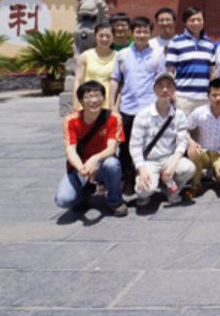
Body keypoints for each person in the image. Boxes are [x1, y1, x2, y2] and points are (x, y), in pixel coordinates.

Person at [109, 17, 166, 195]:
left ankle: (147, 176)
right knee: (125, 147)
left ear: (151, 33)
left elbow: (162, 82)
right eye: (138, 31)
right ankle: (127, 177)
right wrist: (112, 106)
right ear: (131, 33)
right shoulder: (123, 54)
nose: (142, 35)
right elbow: (115, 79)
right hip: (128, 108)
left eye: (145, 31)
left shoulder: (158, 55)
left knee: (149, 144)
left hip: (149, 109)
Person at [55, 81, 127, 217]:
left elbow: (112, 149)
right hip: (80, 166)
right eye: (88, 97)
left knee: (112, 164)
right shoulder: (71, 120)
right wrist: (82, 169)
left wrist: (94, 159)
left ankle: (115, 201)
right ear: (80, 101)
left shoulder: (113, 118)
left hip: (103, 164)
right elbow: (70, 152)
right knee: (63, 200)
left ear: (104, 98)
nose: (94, 100)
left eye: (97, 96)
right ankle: (85, 192)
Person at [130, 73, 196, 206]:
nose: (164, 90)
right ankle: (148, 188)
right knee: (144, 191)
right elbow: (135, 146)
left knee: (189, 168)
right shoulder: (143, 115)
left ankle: (168, 188)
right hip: (149, 160)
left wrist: (172, 167)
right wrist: (142, 170)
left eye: (168, 86)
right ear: (154, 90)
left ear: (174, 90)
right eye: (160, 86)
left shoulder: (179, 115)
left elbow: (182, 143)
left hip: (168, 158)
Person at [166, 7, 215, 116]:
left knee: (202, 128)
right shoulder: (175, 42)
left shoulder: (209, 43)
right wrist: (172, 92)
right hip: (183, 98)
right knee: (182, 126)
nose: (196, 23)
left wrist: (212, 91)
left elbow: (212, 71)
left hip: (205, 98)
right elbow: (169, 70)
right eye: (192, 20)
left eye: (199, 20)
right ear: (185, 22)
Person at [73, 23, 117, 111]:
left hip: (109, 105)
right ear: (95, 36)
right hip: (88, 103)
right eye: (101, 36)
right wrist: (76, 105)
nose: (104, 39)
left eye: (108, 36)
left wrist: (115, 105)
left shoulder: (118, 57)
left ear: (113, 37)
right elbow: (78, 81)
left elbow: (120, 85)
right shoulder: (85, 56)